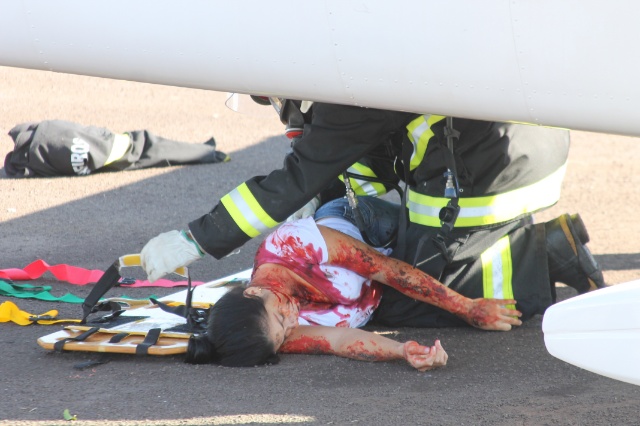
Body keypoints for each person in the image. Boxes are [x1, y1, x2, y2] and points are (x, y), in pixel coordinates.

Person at [140, 101, 606, 330]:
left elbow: (302, 174)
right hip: (508, 143)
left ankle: (548, 252)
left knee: (407, 301)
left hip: (492, 166)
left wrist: (197, 240)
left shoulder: (351, 93)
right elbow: (357, 159)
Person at [185, 196, 519, 369]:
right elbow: (340, 340)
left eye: (280, 318)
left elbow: (389, 270)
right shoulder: (269, 335)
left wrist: (468, 308)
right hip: (377, 294)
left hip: (365, 229)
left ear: (254, 291)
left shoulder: (294, 247)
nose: (292, 324)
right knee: (465, 284)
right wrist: (403, 352)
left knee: (453, 248)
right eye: (283, 335)